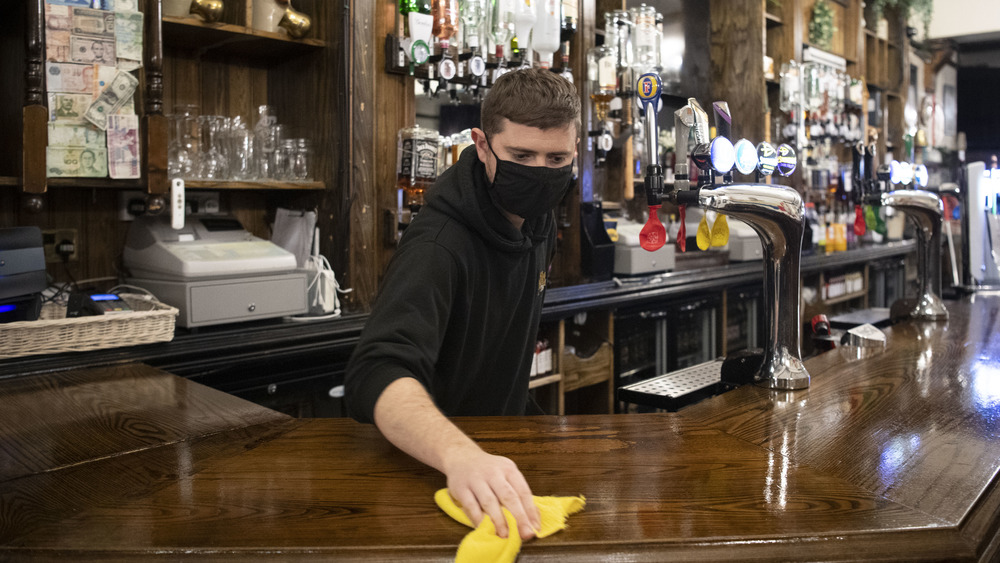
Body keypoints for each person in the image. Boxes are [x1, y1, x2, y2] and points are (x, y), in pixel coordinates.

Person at [344, 68, 580, 541]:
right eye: (521, 155)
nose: (540, 173)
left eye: (557, 158)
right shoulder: (438, 246)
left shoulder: (537, 221)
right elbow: (376, 371)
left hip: (495, 464)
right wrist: (460, 455)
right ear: (482, 144)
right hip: (427, 472)